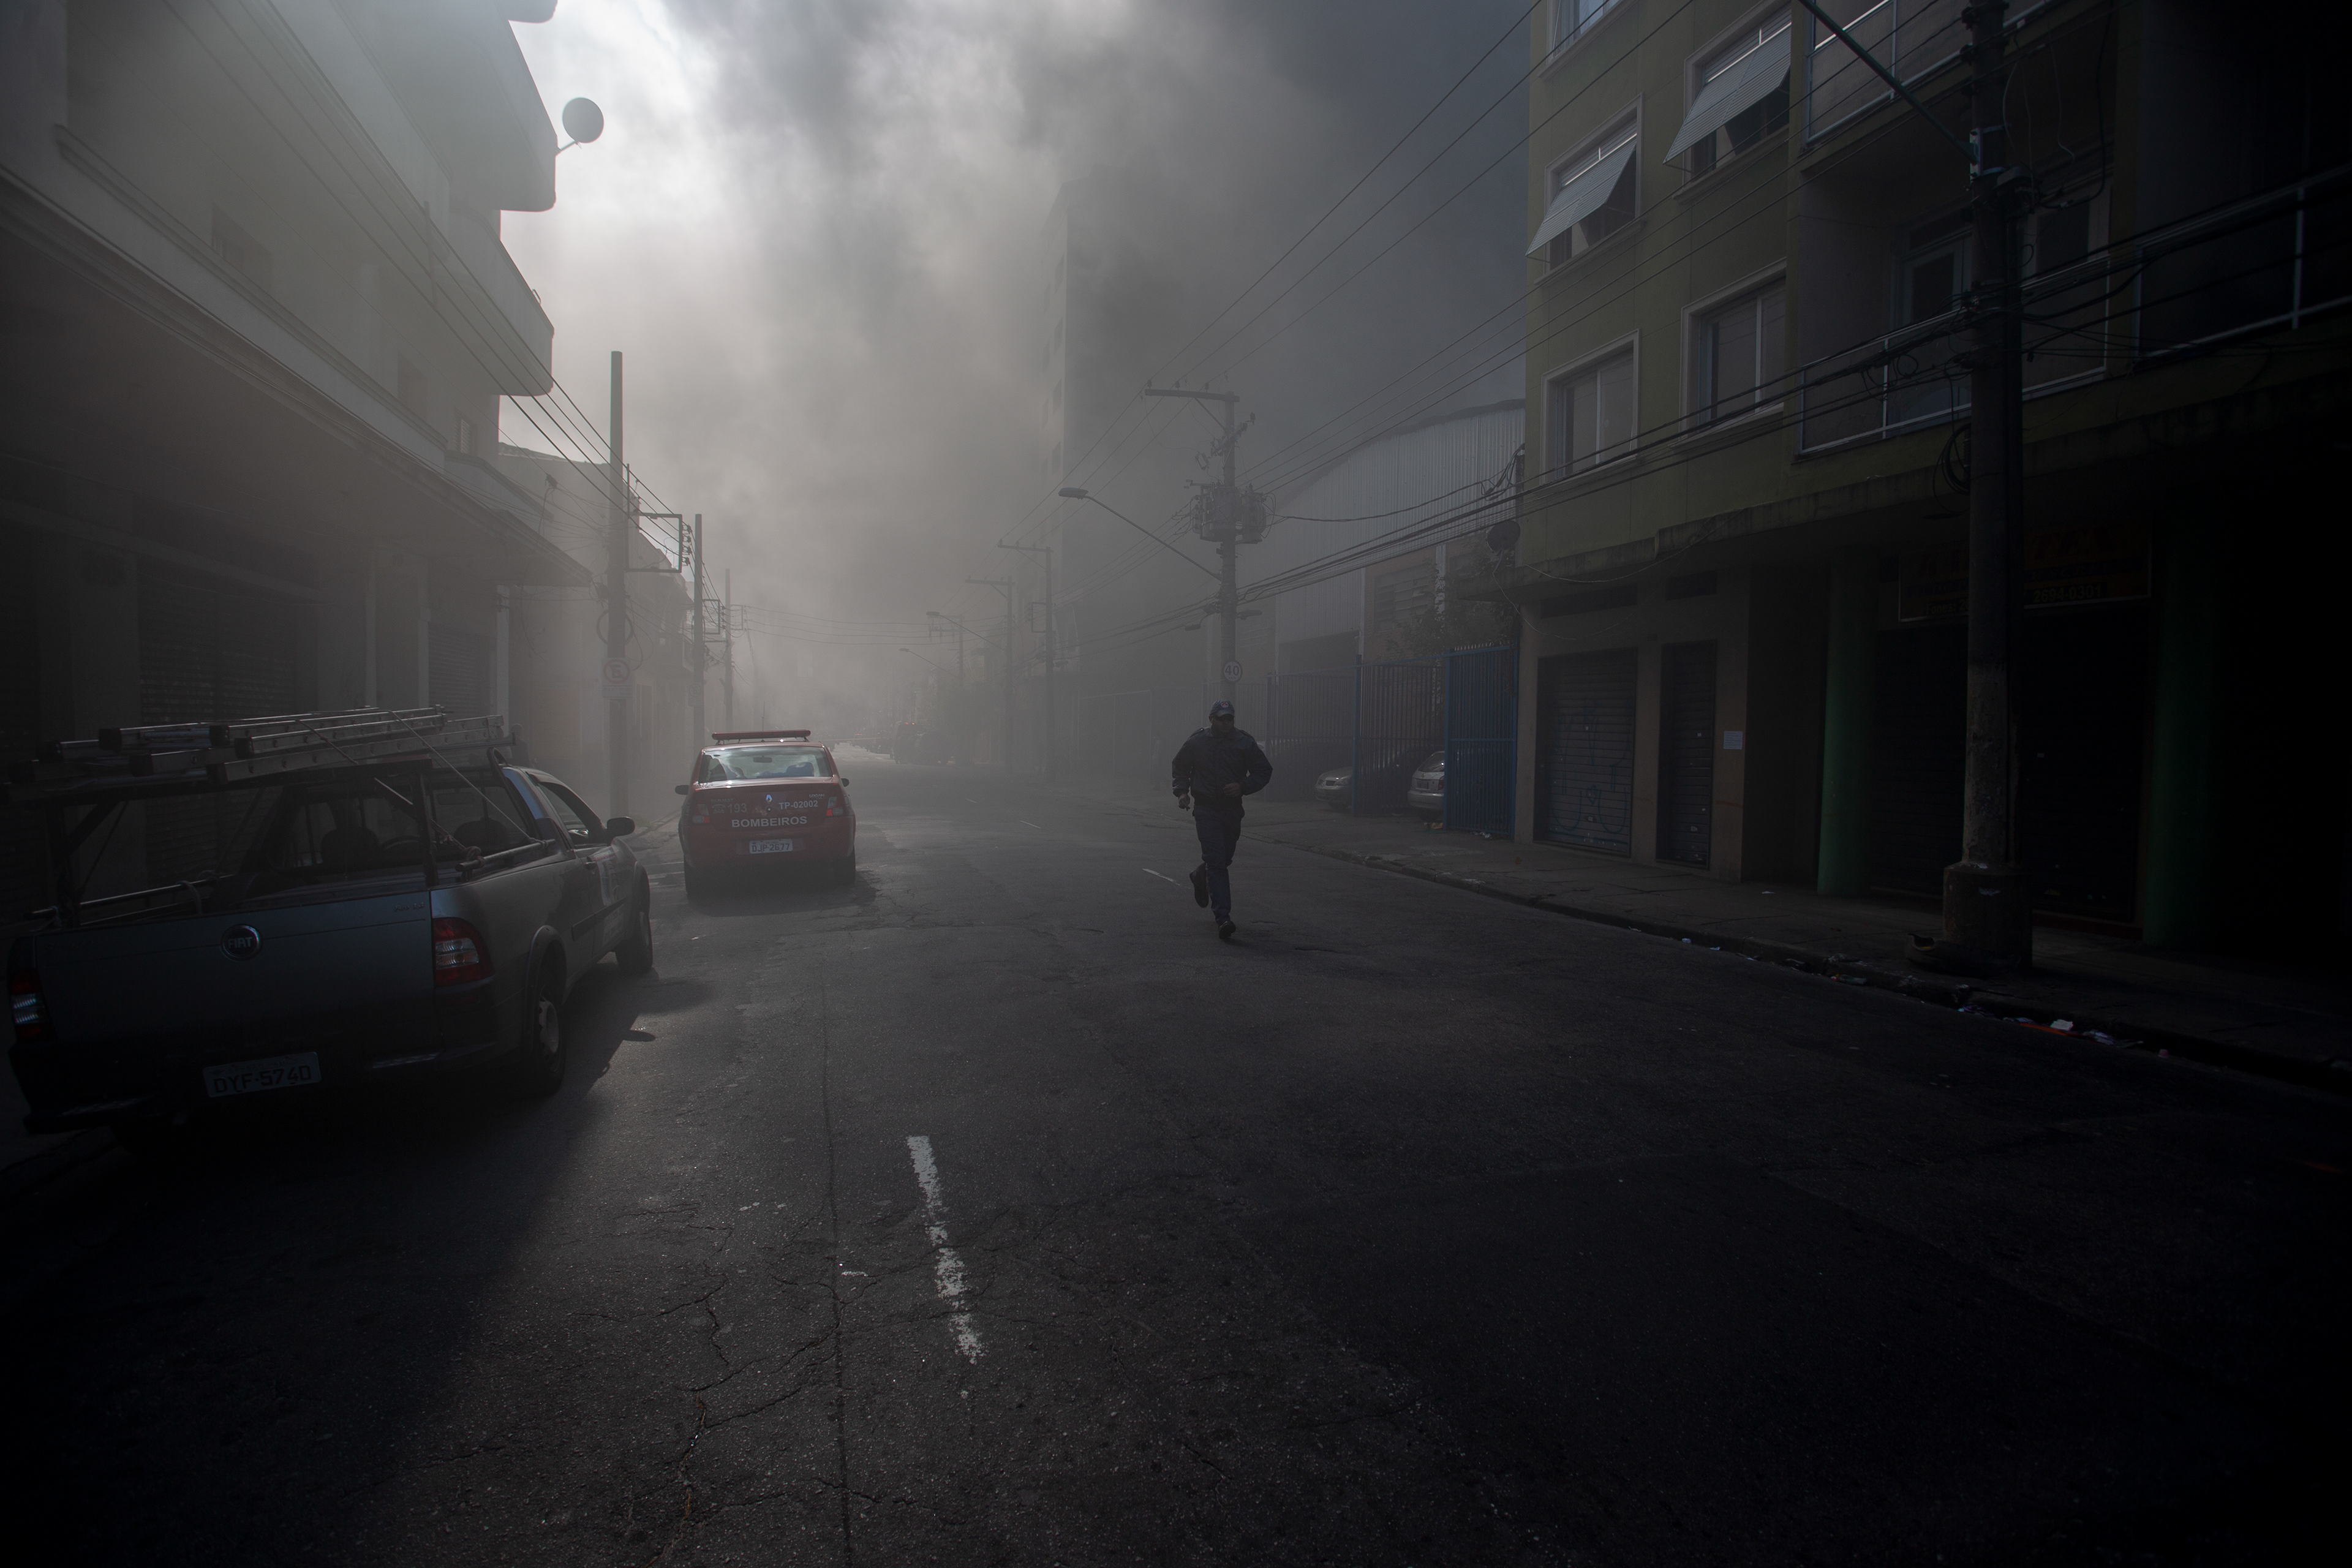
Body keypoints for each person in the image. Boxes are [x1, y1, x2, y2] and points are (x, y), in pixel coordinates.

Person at [1169, 698, 1272, 940]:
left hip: (1232, 810)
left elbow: (1264, 771)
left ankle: (1199, 874)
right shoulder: (1197, 742)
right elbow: (1180, 767)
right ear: (1211, 719)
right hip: (1206, 810)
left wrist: (1243, 786)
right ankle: (1223, 918)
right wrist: (1182, 792)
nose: (1227, 723)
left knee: (1224, 859)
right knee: (1216, 861)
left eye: (1230, 719)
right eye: (1222, 719)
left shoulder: (1244, 743)